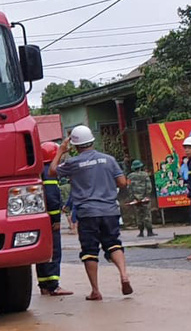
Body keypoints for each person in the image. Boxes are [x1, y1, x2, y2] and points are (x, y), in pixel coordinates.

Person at [50, 125, 132, 301]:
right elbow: (122, 182)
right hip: (110, 210)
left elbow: (52, 171)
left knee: (89, 251)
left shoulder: (73, 163)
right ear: (92, 141)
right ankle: (124, 275)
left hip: (87, 213)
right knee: (113, 243)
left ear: (75, 145)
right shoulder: (109, 160)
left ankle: (95, 291)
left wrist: (61, 151)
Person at [36, 142, 73, 296]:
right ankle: (53, 285)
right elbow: (51, 197)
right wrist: (55, 219)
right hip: (49, 220)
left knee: (43, 252)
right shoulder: (50, 173)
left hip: (40, 218)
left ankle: (44, 284)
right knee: (54, 251)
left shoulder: (39, 172)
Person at [126, 160, 155, 238]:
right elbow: (149, 186)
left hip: (135, 199)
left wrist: (133, 198)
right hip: (145, 198)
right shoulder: (145, 175)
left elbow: (128, 188)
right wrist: (147, 195)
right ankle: (149, 232)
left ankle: (141, 232)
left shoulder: (129, 176)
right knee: (147, 215)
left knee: (139, 215)